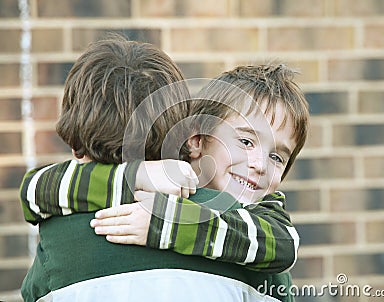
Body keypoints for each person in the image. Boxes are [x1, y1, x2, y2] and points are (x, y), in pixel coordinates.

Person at [19, 35, 307, 301]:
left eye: (278, 157)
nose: (258, 164)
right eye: (245, 141)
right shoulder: (260, 265)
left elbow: (284, 243)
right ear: (193, 139)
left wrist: (166, 222)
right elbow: (35, 190)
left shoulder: (262, 224)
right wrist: (138, 176)